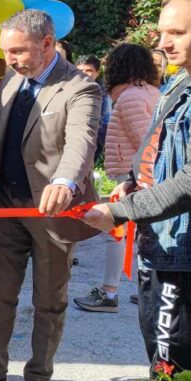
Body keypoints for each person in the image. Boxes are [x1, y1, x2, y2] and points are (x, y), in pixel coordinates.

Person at [81, 0, 191, 379]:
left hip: (189, 246)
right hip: (166, 237)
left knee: (179, 358)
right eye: (161, 33)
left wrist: (119, 211)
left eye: (177, 33)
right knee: (160, 344)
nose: (163, 43)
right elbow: (157, 143)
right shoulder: (184, 79)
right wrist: (134, 180)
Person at [0, 10, 101, 381]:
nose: (12, 59)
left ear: (47, 42)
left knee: (49, 301)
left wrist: (65, 179)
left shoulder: (81, 88)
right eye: (6, 52)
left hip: (53, 214)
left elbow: (81, 141)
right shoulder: (10, 81)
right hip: (6, 210)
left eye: (19, 50)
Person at [73, 43, 160, 313]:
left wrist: (135, 178)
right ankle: (151, 291)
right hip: (139, 176)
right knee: (145, 235)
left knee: (115, 231)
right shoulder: (150, 92)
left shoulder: (130, 97)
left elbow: (148, 144)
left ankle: (110, 293)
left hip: (134, 176)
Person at [76, 55, 111, 165]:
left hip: (93, 140)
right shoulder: (68, 89)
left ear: (97, 72)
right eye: (80, 70)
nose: (84, 74)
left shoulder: (103, 93)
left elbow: (105, 119)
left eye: (89, 70)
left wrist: (97, 143)